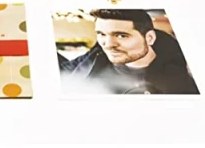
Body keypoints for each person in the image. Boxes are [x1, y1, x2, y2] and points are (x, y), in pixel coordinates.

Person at [58, 9, 200, 94]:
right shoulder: (97, 54)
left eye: (121, 35)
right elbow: (62, 70)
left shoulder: (182, 83)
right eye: (102, 34)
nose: (108, 45)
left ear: (150, 38)